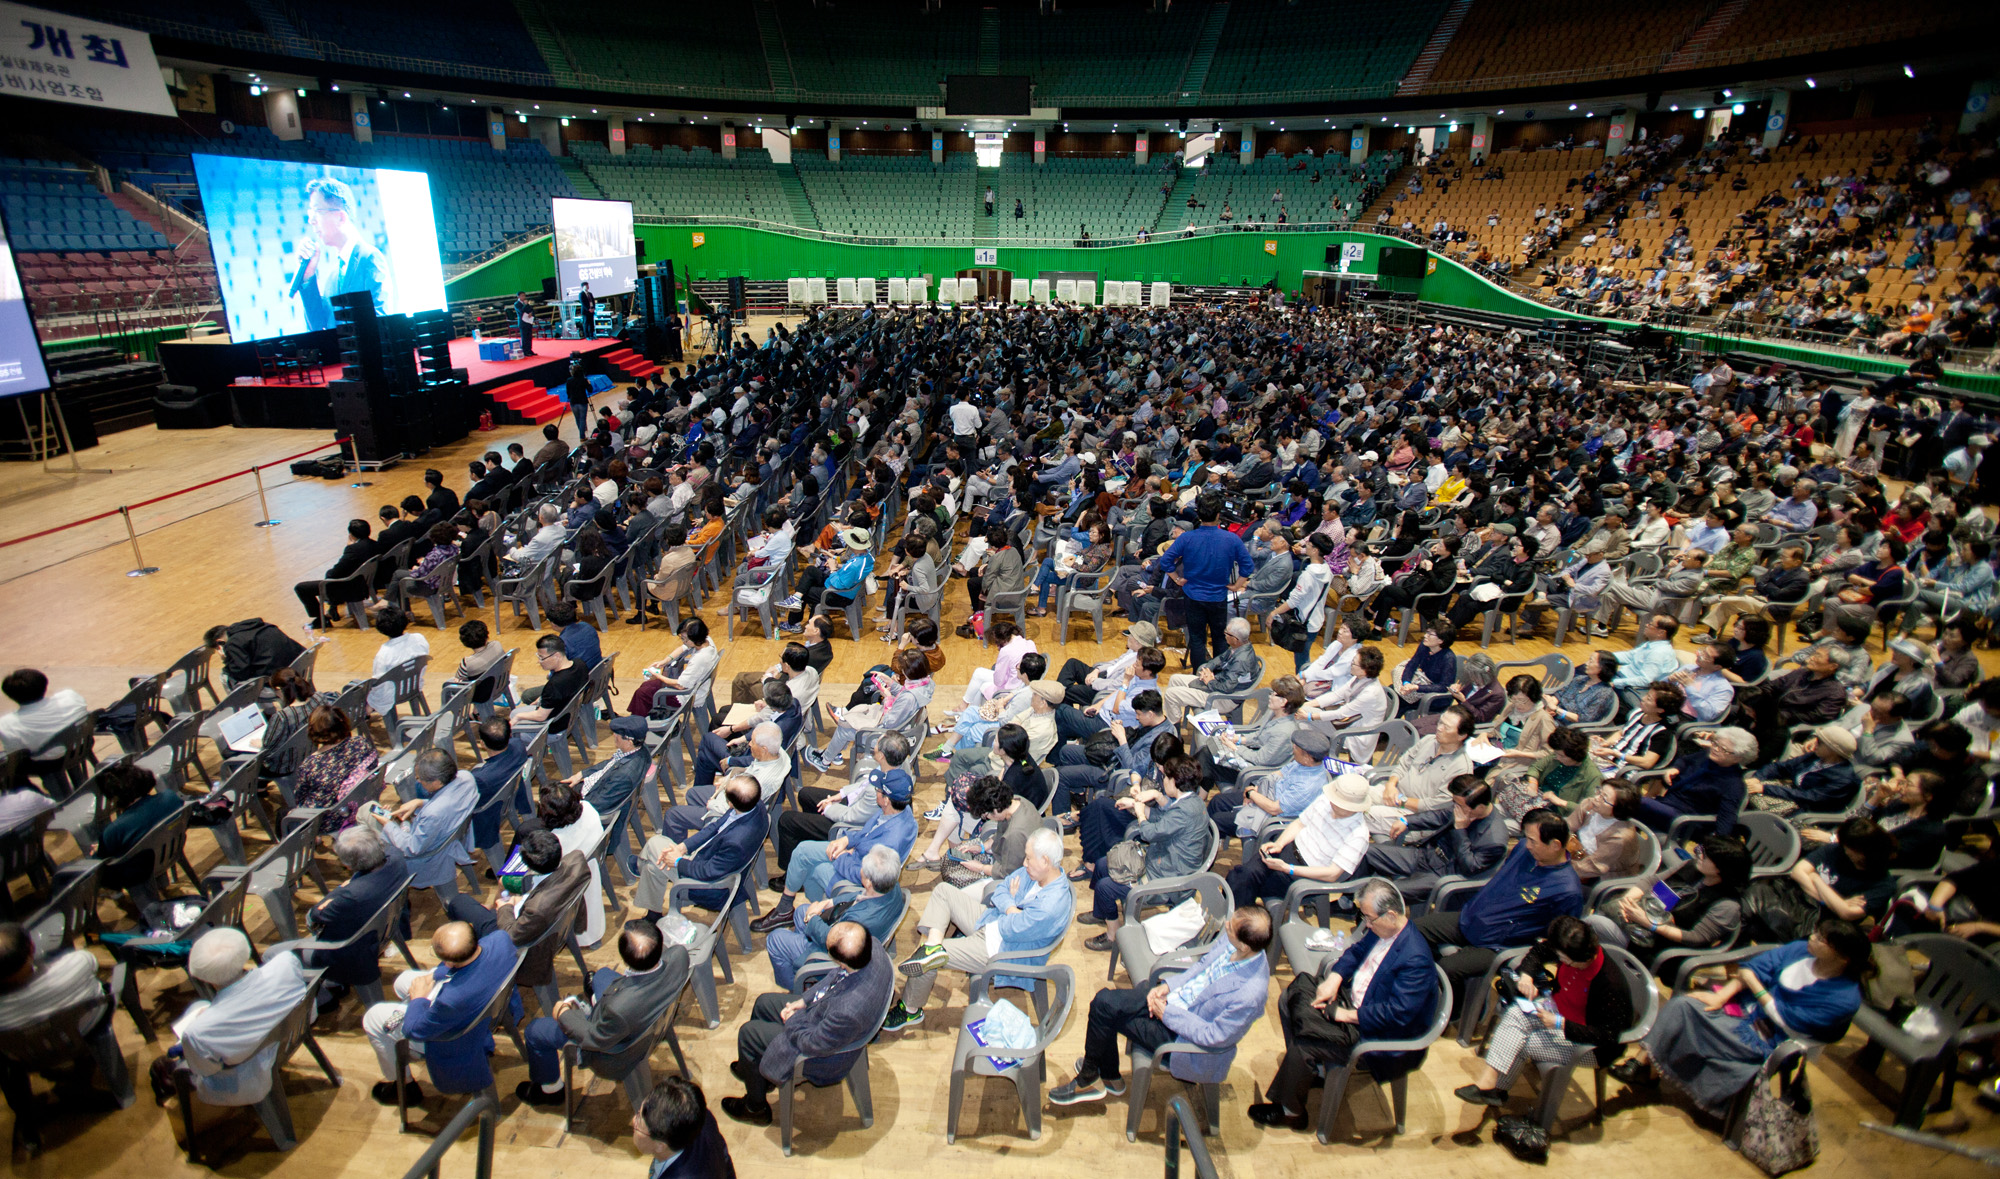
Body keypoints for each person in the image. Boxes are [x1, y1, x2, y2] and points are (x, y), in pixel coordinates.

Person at [1613, 920, 1870, 1115]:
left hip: (1771, 1038)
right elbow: (1754, 969)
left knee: (1699, 1023)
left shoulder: (1844, 998)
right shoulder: (1799, 950)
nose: (1812, 938)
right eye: (1816, 933)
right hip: (1745, 1009)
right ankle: (1645, 1065)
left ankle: (1649, 1069)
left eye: (1821, 939)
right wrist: (1722, 996)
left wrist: (1757, 989)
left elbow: (1789, 1021)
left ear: (1841, 956)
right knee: (1684, 1005)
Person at [1246, 878, 1438, 1130]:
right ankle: (1312, 1070)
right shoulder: (1383, 929)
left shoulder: (1416, 959)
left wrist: (1346, 1015)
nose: (1365, 924)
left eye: (1369, 918)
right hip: (1355, 999)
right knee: (1290, 997)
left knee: (1305, 1044)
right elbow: (1357, 952)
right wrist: (1334, 979)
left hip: (1374, 1030)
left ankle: (1291, 1110)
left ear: (1391, 915)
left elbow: (1396, 1015)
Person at [1048, 905, 1274, 1107]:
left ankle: (1096, 1075)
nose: (1225, 926)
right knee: (1105, 1002)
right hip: (1172, 1001)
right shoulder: (1234, 941)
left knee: (1104, 1008)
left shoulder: (1250, 995)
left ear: (1244, 946)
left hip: (1181, 1038)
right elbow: (1203, 967)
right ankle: (1101, 1075)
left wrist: (1167, 1014)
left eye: (1231, 928)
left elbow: (1213, 1036)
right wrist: (1168, 986)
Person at [884, 827, 1072, 1032]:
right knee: (943, 892)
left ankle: (910, 1009)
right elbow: (1002, 888)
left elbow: (1010, 930)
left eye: (1028, 859)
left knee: (927, 958)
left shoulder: (1051, 905)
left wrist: (1009, 904)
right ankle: (932, 947)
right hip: (992, 920)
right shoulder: (1037, 873)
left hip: (1000, 948)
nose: (1024, 863)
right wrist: (1012, 908)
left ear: (1045, 861)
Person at [719, 922, 893, 1125]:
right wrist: (803, 1001)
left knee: (748, 1034)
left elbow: (812, 1044)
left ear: (842, 962)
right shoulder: (871, 947)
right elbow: (833, 978)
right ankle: (755, 1072)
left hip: (821, 1054)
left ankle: (755, 1107)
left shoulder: (848, 1011)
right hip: (822, 1013)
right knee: (762, 1003)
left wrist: (793, 1018)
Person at [1453, 916, 1635, 1108]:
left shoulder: (1610, 984)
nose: (1560, 961)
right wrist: (1526, 976)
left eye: (1565, 960)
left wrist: (1561, 1024)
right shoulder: (1570, 947)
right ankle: (1490, 1085)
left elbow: (1608, 1035)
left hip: (1590, 1043)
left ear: (1584, 959)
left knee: (1523, 1041)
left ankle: (1497, 1090)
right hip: (1557, 1009)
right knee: (1515, 1014)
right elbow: (1539, 951)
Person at [1415, 808, 1584, 1010]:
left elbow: (1559, 941)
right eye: (1526, 838)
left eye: (1533, 841)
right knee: (1413, 931)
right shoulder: (1523, 849)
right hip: (1470, 919)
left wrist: (1531, 966)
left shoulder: (1567, 890)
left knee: (1447, 969)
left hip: (1499, 945)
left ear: (1555, 845)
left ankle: (1452, 1014)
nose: (1526, 844)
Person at [516, 921, 693, 1107]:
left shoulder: (618, 1009)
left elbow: (593, 1037)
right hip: (649, 1005)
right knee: (601, 976)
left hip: (614, 1052)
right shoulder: (680, 955)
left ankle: (551, 1089)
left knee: (535, 1031)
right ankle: (595, 1003)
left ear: (626, 960)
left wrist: (563, 1013)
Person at [363, 920, 519, 1105]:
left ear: (449, 961)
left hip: (459, 1035)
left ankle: (403, 1085)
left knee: (373, 1018)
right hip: (491, 1003)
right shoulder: (501, 939)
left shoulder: (451, 1001)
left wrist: (419, 999)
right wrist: (433, 976)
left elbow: (413, 1030)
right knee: (403, 981)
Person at [153, 929, 311, 1107]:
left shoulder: (198, 1031)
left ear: (203, 977)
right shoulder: (286, 962)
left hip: (247, 1081)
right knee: (200, 1009)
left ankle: (172, 1070)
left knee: (196, 1018)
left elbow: (205, 1070)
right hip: (289, 1036)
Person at [1077, 757, 1210, 952]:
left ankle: (1112, 935)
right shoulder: (1190, 801)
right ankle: (1101, 913)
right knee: (1103, 864)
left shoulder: (1185, 810)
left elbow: (1149, 832)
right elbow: (1164, 819)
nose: (1164, 781)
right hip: (1162, 859)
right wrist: (1137, 806)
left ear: (1174, 782)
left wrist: (1140, 814)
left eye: (1166, 778)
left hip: (1168, 877)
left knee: (1106, 887)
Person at [764, 845, 905, 991]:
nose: (860, 869)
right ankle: (801, 959)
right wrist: (829, 902)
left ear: (869, 882)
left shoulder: (859, 920)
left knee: (775, 940)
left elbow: (832, 940)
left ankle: (796, 989)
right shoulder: (891, 885)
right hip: (853, 936)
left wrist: (813, 918)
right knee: (800, 912)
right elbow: (861, 896)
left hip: (835, 955)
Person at [628, 773, 768, 920]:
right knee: (653, 867)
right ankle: (653, 914)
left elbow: (708, 872)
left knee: (654, 843)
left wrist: (678, 861)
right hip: (708, 856)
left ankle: (640, 864)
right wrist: (683, 847)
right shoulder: (753, 804)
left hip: (708, 885)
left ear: (731, 803)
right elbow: (714, 827)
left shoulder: (737, 841)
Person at [1222, 771, 1373, 904]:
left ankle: (1231, 929)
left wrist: (1289, 869)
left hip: (1305, 875)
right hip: (1288, 851)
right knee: (1239, 877)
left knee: (1242, 882)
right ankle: (1232, 926)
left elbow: (1332, 874)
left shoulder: (1359, 834)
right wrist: (1279, 844)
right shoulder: (1325, 801)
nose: (1332, 802)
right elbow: (1300, 823)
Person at [1359, 774, 1507, 902]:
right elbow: (1439, 815)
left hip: (1443, 875)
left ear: (1479, 807)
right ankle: (1347, 903)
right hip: (1426, 855)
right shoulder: (1464, 807)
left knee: (1384, 894)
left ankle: (1368, 923)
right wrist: (1407, 820)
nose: (1454, 807)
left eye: (1458, 804)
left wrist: (1460, 831)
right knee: (1366, 852)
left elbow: (1470, 867)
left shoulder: (1494, 840)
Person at [1154, 494, 1255, 669]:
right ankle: (1217, 675)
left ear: (1199, 515)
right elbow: (1248, 566)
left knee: (1197, 638)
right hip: (1218, 597)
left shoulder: (1187, 538)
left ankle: (1199, 675)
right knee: (1219, 638)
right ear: (1218, 515)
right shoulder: (1231, 539)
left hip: (1193, 596)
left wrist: (1177, 579)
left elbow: (1165, 561)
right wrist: (1238, 585)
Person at [359, 749, 478, 896]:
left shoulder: (433, 813)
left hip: (423, 858)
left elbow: (412, 848)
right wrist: (419, 802)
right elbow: (452, 803)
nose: (418, 780)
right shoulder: (466, 777)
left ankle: (375, 877)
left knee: (365, 813)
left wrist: (387, 823)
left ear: (436, 782)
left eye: (421, 779)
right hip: (447, 837)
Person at [290, 175, 391, 331]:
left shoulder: (369, 258)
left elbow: (380, 321)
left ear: (340, 217)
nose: (311, 220)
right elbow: (317, 327)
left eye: (317, 211)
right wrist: (308, 277)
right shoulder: (332, 278)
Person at [1635, 726, 1756, 838]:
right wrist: (1675, 768)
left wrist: (1713, 845)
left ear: (1738, 757)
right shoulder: (1707, 756)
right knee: (1630, 805)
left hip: (1685, 820)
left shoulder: (1734, 785)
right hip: (1668, 803)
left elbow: (1726, 820)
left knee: (1632, 800)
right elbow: (1685, 761)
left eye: (1723, 749)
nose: (1715, 749)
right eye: (1715, 743)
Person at [291, 704, 380, 831]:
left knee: (285, 815)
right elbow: (374, 767)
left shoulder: (310, 765)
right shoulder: (361, 743)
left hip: (330, 820)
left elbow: (300, 798)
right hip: (362, 803)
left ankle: (312, 839)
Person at [1160, 616, 1262, 724]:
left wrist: (1209, 681)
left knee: (1171, 694)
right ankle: (1174, 719)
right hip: (1218, 684)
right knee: (1175, 679)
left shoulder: (1241, 661)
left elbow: (1226, 688)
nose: (1225, 635)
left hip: (1223, 698)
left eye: (1227, 633)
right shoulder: (1240, 647)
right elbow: (1220, 659)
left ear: (1235, 639)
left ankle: (1173, 729)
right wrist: (1207, 669)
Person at [635, 1074, 735, 1179]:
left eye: (639, 1122)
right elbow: (725, 1161)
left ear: (660, 1145)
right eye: (638, 1113)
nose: (633, 1121)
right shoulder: (699, 1118)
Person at [295, 518, 379, 627]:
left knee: (301, 588)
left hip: (350, 587)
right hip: (363, 583)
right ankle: (332, 609)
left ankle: (321, 619)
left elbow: (334, 573)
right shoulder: (375, 544)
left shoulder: (352, 550)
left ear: (351, 534)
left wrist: (349, 547)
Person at [1564, 778, 1649, 882]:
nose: (1596, 798)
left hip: (1599, 875)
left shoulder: (1619, 838)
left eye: (1604, 798)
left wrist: (1557, 866)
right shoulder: (1590, 804)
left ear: (1619, 809)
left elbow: (1593, 867)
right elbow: (1566, 827)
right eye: (1599, 792)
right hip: (1578, 854)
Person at [514, 291, 537, 356]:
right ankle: (525, 351)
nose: (523, 297)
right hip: (523, 322)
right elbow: (521, 311)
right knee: (524, 337)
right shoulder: (517, 304)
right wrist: (525, 305)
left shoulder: (526, 302)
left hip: (528, 321)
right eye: (522, 296)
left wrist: (531, 313)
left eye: (524, 296)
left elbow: (531, 309)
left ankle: (529, 350)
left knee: (529, 336)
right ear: (518, 296)